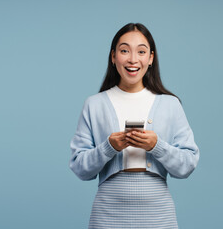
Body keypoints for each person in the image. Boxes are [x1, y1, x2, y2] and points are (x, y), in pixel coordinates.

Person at [69, 22, 200, 228]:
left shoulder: (170, 104)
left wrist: (157, 146)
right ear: (113, 57)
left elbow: (187, 165)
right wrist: (108, 147)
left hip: (159, 217)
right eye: (124, 51)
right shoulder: (94, 104)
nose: (132, 59)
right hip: (107, 216)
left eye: (141, 51)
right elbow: (80, 168)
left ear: (151, 58)